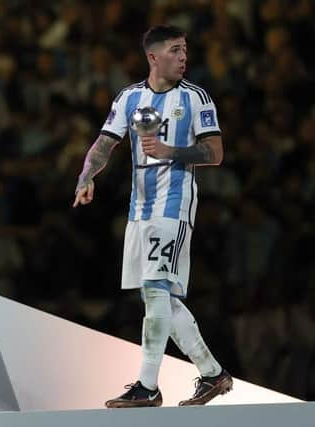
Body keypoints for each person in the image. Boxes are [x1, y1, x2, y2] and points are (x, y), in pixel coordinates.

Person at [72, 25, 232, 408]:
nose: (183, 57)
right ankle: (213, 374)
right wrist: (85, 176)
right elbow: (105, 143)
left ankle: (148, 386)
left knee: (157, 291)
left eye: (185, 50)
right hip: (139, 210)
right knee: (162, 298)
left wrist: (169, 150)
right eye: (176, 50)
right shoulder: (129, 98)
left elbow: (215, 152)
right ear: (153, 56)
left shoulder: (195, 98)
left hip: (173, 208)